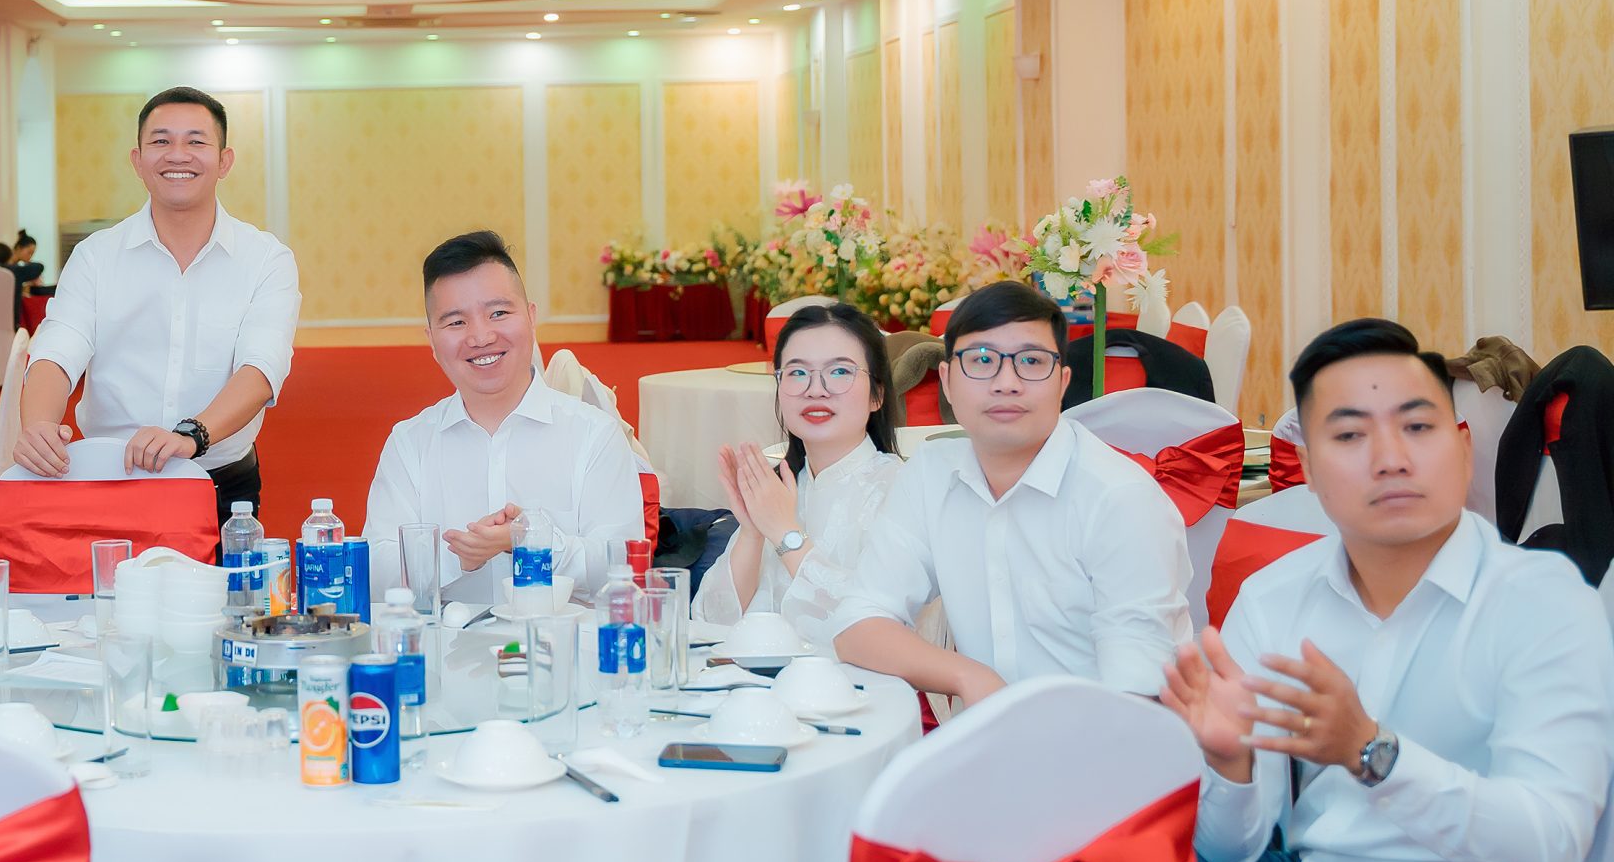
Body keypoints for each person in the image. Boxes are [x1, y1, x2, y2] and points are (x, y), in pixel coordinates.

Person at [1152, 319, 1614, 862]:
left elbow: (1553, 847)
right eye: (1350, 434)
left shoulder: (1542, 603)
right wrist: (1230, 765)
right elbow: (1234, 850)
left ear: (1462, 446)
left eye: (1417, 426)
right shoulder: (1276, 597)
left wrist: (1371, 750)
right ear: (1309, 466)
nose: (1390, 456)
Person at [825, 279, 1191, 701]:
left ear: (1062, 382)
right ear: (946, 381)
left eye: (1031, 361)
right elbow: (858, 623)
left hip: (1107, 732)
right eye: (981, 360)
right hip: (991, 730)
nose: (1006, 382)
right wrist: (968, 677)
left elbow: (1138, 692)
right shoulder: (931, 474)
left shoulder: (1120, 499)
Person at [16, 86, 301, 523]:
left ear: (224, 161)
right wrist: (38, 426)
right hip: (108, 477)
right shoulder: (95, 256)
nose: (178, 155)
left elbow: (261, 369)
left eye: (196, 141)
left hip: (219, 485)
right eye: (161, 141)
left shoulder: (266, 259)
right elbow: (57, 352)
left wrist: (192, 436)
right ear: (138, 161)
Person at [365, 232, 643, 603]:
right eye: (456, 322)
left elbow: (623, 565)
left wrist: (529, 542)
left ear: (531, 317)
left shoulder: (594, 434)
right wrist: (457, 558)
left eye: (498, 313)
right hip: (447, 639)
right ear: (431, 340)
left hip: (563, 637)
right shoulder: (409, 443)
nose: (481, 337)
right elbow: (374, 570)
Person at [693, 301, 905, 642]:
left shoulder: (902, 489)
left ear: (876, 395)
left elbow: (880, 627)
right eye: (797, 373)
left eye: (840, 372)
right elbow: (711, 621)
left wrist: (785, 534)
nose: (815, 389)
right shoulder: (782, 489)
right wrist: (751, 532)